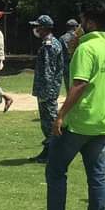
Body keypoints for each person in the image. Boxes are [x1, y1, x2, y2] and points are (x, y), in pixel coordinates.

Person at [25, 2, 105, 210]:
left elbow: (80, 84)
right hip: (100, 122)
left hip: (78, 122)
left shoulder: (86, 49)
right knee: (97, 178)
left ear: (90, 22)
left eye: (81, 20)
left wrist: (60, 115)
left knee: (56, 171)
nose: (78, 25)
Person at [30, 14, 64, 163]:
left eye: (38, 26)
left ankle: (54, 153)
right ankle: (48, 149)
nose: (36, 29)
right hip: (47, 89)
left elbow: (48, 70)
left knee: (50, 121)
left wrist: (45, 91)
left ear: (44, 28)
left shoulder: (49, 45)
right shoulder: (49, 43)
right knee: (46, 121)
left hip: (48, 90)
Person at [60, 19, 80, 93]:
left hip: (66, 66)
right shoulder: (79, 37)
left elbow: (60, 54)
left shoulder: (62, 38)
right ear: (74, 27)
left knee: (68, 86)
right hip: (77, 65)